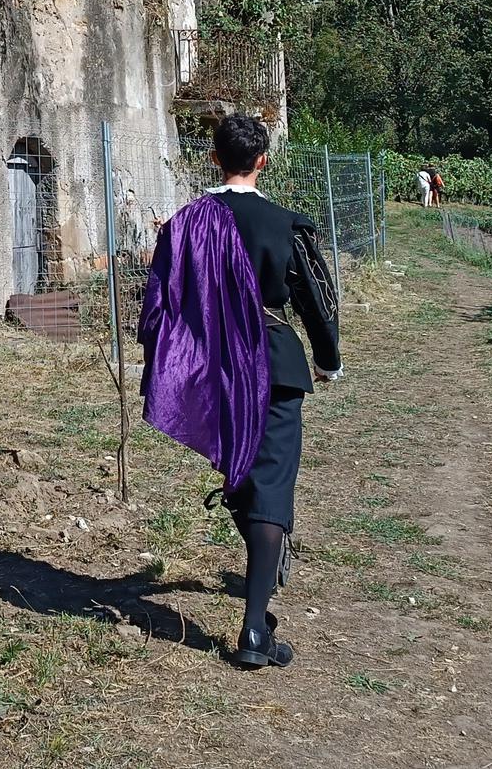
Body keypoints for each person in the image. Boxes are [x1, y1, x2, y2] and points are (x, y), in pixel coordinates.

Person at [138, 112, 343, 670]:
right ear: (263, 161)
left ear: (212, 158)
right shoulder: (284, 224)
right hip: (273, 365)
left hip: (213, 370)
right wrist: (328, 360)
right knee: (271, 484)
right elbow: (316, 301)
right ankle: (254, 629)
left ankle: (262, 552)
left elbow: (158, 304)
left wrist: (173, 364)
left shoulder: (183, 224)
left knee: (242, 473)